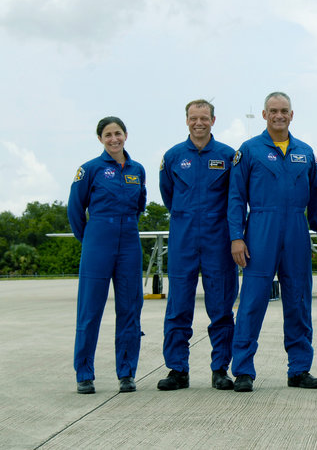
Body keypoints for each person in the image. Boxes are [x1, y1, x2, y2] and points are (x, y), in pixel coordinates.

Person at [228, 91, 317, 392]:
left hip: (297, 230)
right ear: (264, 115)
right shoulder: (249, 150)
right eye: (273, 111)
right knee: (252, 301)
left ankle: (299, 369)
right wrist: (237, 237)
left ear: (292, 114)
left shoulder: (306, 152)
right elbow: (235, 197)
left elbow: (316, 195)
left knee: (299, 301)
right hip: (260, 229)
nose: (279, 115)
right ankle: (243, 370)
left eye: (284, 110)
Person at [157, 100, 238, 391]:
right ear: (186, 121)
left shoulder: (229, 156)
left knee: (221, 308)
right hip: (184, 241)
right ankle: (177, 369)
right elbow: (168, 194)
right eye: (193, 118)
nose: (199, 123)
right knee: (178, 307)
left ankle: (220, 369)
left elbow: (236, 198)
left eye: (204, 117)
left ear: (213, 120)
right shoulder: (173, 157)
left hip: (219, 242)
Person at [68, 117, 146, 394]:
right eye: (108, 135)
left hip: (129, 243)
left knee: (130, 309)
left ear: (126, 135)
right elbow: (75, 210)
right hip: (98, 241)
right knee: (90, 311)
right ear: (100, 139)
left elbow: (140, 205)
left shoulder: (137, 170)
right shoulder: (89, 170)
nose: (114, 139)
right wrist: (90, 238)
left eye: (118, 133)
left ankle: (126, 373)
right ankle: (84, 373)